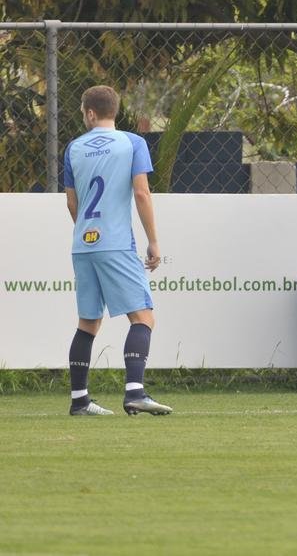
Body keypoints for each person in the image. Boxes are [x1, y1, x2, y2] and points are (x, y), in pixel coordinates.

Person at [63, 85, 171, 416]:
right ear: (114, 111)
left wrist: (87, 233)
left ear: (90, 113)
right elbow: (142, 193)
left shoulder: (73, 148)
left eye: (83, 111)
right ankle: (135, 392)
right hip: (116, 242)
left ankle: (80, 400)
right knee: (143, 317)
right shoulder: (132, 143)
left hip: (84, 244)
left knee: (88, 322)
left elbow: (72, 202)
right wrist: (153, 240)